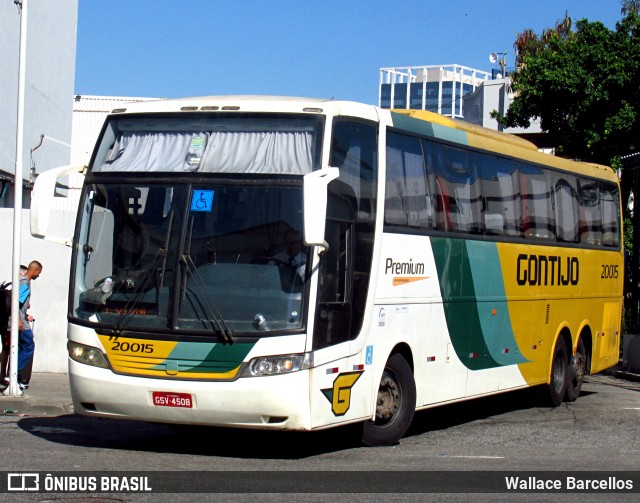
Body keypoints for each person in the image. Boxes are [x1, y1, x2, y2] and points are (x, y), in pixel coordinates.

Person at [16, 261, 42, 390]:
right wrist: (19, 320)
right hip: (21, 322)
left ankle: (17, 377)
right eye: (39, 272)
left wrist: (25, 315)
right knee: (28, 346)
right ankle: (14, 372)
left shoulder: (24, 281)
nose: (39, 275)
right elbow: (15, 301)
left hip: (21, 318)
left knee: (21, 347)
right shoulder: (25, 282)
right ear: (35, 270)